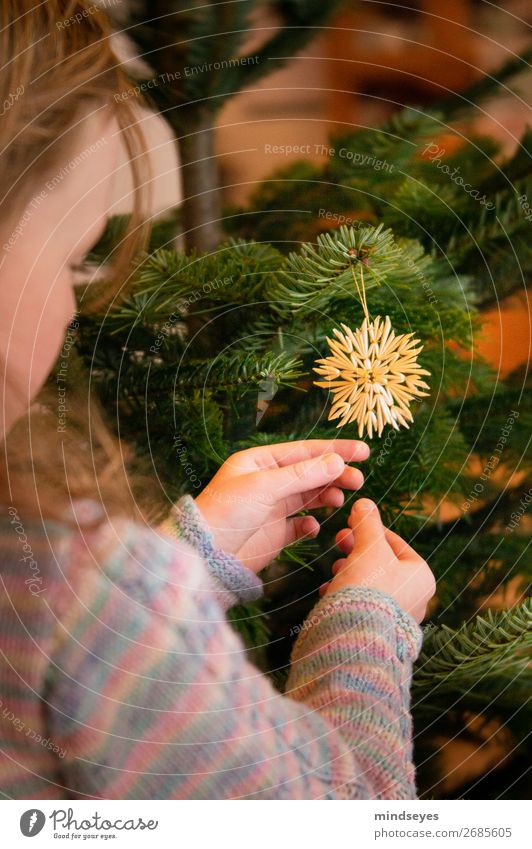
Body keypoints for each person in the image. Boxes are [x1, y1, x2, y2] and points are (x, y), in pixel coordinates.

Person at [0, 0, 435, 800]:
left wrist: (186, 558)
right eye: (72, 259)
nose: (74, 305)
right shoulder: (69, 575)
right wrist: (368, 623)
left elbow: (72, 682)